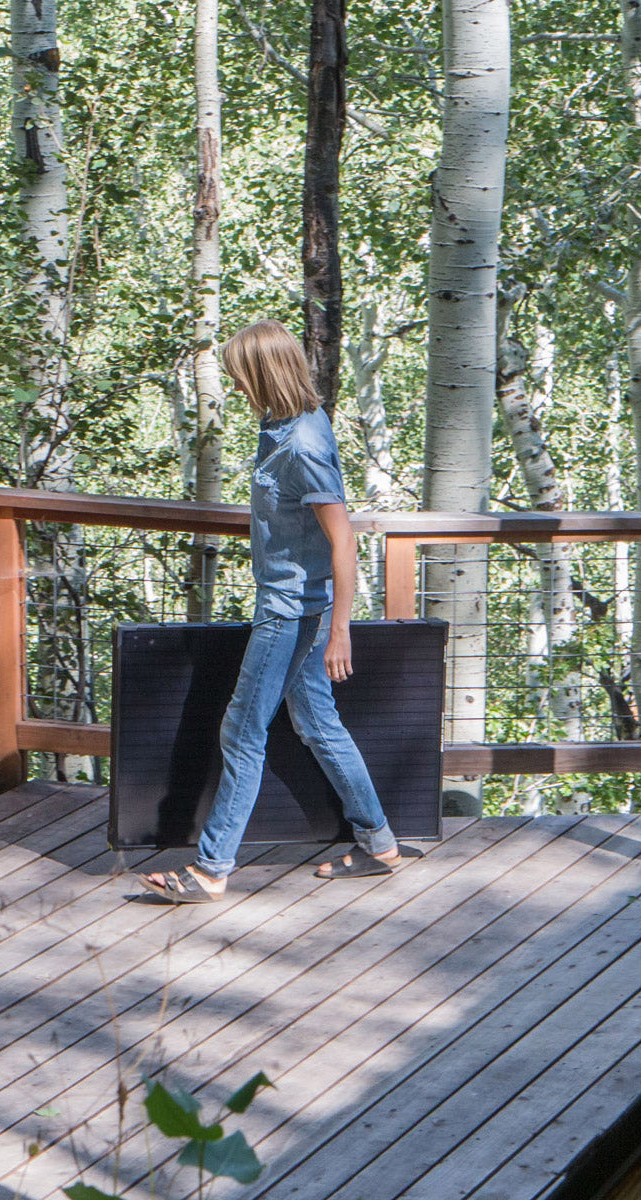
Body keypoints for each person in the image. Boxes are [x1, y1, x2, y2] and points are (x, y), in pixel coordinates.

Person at [140, 319, 412, 904]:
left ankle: (211, 870)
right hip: (292, 604)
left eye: (240, 375)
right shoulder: (284, 423)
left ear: (264, 373)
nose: (236, 385)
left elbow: (344, 540)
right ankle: (379, 843)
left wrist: (339, 630)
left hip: (291, 613)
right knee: (317, 725)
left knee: (242, 730)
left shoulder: (303, 446)